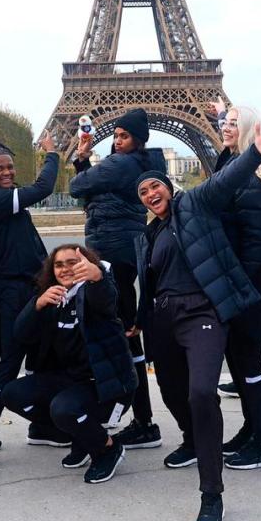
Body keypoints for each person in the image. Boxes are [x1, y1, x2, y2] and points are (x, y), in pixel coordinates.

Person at [135, 120, 261, 521]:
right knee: (171, 392)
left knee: (203, 392)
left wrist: (257, 152)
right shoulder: (147, 234)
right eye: (144, 193)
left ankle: (211, 494)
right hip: (162, 319)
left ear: (168, 186)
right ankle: (195, 439)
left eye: (155, 187)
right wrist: (137, 323)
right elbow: (147, 284)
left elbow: (225, 182)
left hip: (202, 312)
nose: (151, 194)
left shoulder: (194, 205)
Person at [0, 132, 60, 482]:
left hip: (33, 288)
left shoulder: (3, 198)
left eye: (9, 167)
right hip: (13, 293)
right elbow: (44, 188)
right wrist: (52, 154)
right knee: (8, 366)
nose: (6, 172)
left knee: (42, 360)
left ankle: (43, 427)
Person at [70, 108, 166, 450]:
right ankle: (138, 414)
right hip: (124, 251)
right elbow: (88, 189)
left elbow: (76, 187)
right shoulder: (138, 164)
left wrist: (83, 170)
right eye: (116, 135)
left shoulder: (121, 164)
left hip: (111, 251)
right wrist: (84, 162)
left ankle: (140, 418)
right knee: (126, 332)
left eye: (123, 136)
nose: (116, 141)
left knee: (120, 333)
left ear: (138, 139)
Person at [2, 244, 137, 483]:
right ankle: (82, 436)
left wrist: (97, 276)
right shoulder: (54, 298)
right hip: (70, 382)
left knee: (64, 408)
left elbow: (106, 298)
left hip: (107, 387)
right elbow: (21, 334)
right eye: (58, 265)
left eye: (72, 263)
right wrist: (37, 306)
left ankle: (107, 448)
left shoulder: (93, 293)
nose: (65, 269)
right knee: (12, 394)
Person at [209, 103, 261, 470]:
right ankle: (253, 427)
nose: (225, 127)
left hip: (250, 284)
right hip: (242, 279)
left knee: (248, 362)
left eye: (232, 124)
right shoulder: (233, 163)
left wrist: (240, 288)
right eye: (223, 122)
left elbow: (255, 244)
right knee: (239, 361)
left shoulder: (253, 174)